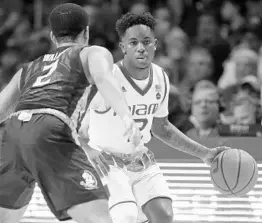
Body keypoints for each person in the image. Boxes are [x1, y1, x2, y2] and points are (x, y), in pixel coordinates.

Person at [79, 12, 231, 223]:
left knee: (164, 215)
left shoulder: (160, 77)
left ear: (155, 45)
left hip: (140, 160)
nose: (141, 47)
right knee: (125, 215)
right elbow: (71, 120)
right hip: (106, 163)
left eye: (146, 42)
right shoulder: (107, 78)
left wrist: (205, 154)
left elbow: (162, 128)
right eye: (133, 42)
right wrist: (87, 149)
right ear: (123, 47)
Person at [0, 3, 142, 223]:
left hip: (11, 132)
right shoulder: (91, 52)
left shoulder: (28, 68)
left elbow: (1, 107)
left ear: (52, 37)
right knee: (99, 218)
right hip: (49, 128)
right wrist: (126, 116)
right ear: (86, 32)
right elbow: (104, 78)